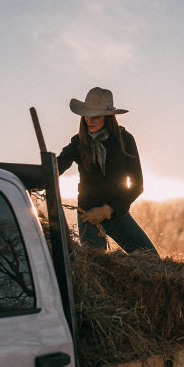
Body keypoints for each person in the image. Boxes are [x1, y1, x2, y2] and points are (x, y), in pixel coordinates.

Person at [57, 87, 158, 254]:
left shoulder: (125, 140)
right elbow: (56, 167)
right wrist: (37, 176)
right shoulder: (78, 143)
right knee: (98, 268)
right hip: (88, 216)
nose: (90, 120)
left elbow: (137, 185)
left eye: (96, 116)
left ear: (108, 117)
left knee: (151, 260)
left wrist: (106, 210)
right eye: (87, 114)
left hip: (117, 213)